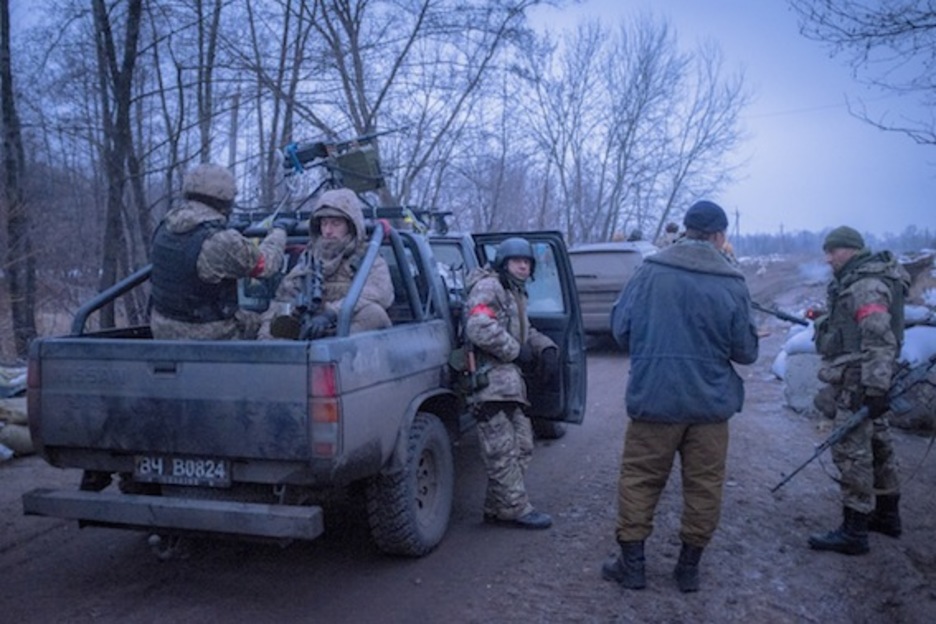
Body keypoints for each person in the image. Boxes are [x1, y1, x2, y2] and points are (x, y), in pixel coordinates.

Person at [603, 200, 759, 592]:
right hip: (709, 405)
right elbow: (746, 352)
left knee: (640, 479)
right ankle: (688, 570)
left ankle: (633, 566)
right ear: (721, 236)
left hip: (654, 400)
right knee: (704, 485)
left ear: (685, 229)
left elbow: (621, 328)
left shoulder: (650, 270)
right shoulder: (732, 281)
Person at [808, 226, 910, 555]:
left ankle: (853, 531)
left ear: (851, 250)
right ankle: (886, 516)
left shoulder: (865, 285)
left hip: (860, 379)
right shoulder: (862, 280)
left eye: (833, 251)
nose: (827, 259)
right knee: (879, 444)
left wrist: (875, 388)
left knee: (852, 451)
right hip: (869, 377)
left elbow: (879, 337)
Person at [463, 237, 560, 530]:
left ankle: (498, 505)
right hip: (489, 384)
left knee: (523, 445)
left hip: (508, 384)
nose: (522, 265)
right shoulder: (489, 287)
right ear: (503, 263)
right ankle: (516, 508)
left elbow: (524, 329)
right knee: (502, 449)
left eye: (527, 262)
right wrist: (516, 351)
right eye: (516, 261)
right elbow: (479, 327)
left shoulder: (516, 292)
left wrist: (545, 347)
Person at [150, 163, 290, 340]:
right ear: (225, 200)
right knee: (268, 321)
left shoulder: (166, 226)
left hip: (163, 329)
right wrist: (279, 232)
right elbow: (267, 264)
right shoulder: (221, 240)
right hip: (209, 336)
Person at [266, 187, 394, 338]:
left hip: (349, 336)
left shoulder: (367, 258)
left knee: (373, 314)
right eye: (324, 223)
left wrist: (331, 313)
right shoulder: (309, 259)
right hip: (308, 334)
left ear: (351, 226)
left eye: (335, 224)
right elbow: (282, 298)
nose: (327, 231)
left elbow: (380, 294)